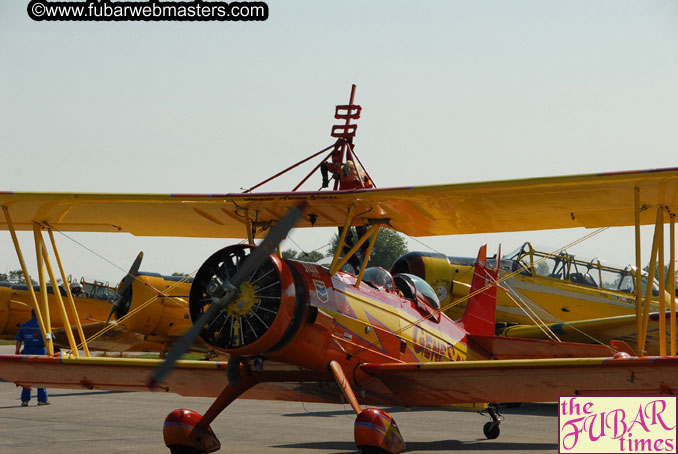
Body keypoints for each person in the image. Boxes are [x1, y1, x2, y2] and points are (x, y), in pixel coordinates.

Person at [15, 309, 51, 406]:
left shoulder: (24, 325)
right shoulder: (44, 326)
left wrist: (17, 351)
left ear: (31, 314)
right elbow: (50, 340)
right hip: (40, 352)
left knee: (27, 376)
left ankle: (25, 400)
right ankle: (42, 399)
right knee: (41, 376)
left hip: (27, 352)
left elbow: (19, 340)